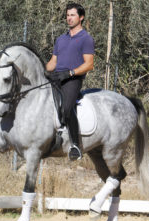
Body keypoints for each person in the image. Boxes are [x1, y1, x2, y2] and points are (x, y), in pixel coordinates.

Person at [46, 2, 95, 161]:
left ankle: (75, 146)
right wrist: (42, 71)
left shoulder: (86, 39)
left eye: (72, 15)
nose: (69, 18)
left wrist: (70, 73)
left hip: (72, 80)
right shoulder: (61, 39)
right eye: (67, 15)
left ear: (81, 17)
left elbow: (89, 64)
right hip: (57, 76)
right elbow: (53, 62)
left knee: (66, 108)